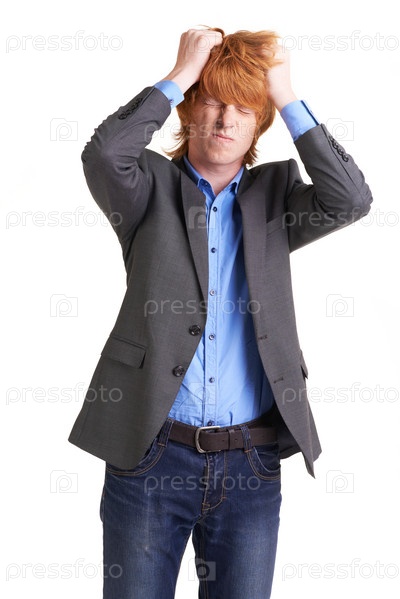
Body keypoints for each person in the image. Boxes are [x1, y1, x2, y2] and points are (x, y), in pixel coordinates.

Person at [68, 27, 373, 598]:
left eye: (243, 108)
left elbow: (351, 199)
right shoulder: (145, 190)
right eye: (211, 101)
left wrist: (283, 93)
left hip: (250, 461)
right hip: (150, 451)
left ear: (258, 125)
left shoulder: (276, 199)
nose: (225, 119)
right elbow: (104, 153)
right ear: (189, 111)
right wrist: (181, 73)